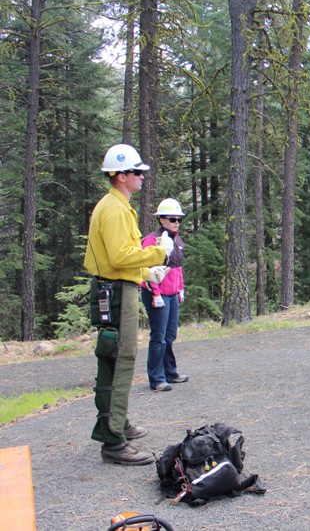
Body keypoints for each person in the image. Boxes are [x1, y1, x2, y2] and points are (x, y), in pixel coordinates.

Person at [84, 143, 172, 466]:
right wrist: (157, 253)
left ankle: (116, 422)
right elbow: (121, 256)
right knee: (121, 357)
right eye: (137, 172)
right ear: (120, 176)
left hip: (117, 285)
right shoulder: (116, 209)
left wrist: (145, 272)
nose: (141, 177)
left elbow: (116, 258)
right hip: (118, 292)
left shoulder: (113, 206)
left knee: (114, 356)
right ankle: (113, 439)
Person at [141, 198, 189, 392]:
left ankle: (170, 372)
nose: (176, 222)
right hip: (156, 294)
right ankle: (156, 378)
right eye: (172, 218)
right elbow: (147, 269)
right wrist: (156, 294)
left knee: (170, 335)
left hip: (172, 293)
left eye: (178, 219)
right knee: (158, 337)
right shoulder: (152, 240)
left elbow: (177, 268)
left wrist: (180, 288)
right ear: (161, 219)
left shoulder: (177, 240)